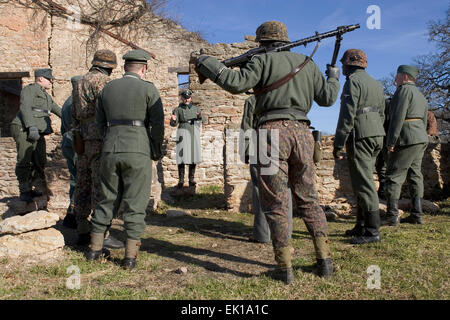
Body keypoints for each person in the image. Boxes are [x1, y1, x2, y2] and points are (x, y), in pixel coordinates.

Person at [195, 21, 340, 284]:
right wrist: (333, 75)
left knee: (276, 201)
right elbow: (328, 99)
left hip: (269, 134)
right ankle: (325, 261)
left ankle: (284, 268)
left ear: (262, 43)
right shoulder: (308, 62)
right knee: (308, 198)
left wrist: (207, 62)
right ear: (285, 40)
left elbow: (234, 83)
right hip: (303, 134)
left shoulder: (261, 61)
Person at [86, 49, 164, 270]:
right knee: (135, 202)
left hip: (110, 147)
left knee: (107, 199)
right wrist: (156, 149)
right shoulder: (148, 89)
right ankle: (130, 257)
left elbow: (98, 123)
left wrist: (108, 140)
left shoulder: (107, 89)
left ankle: (94, 250)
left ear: (124, 67)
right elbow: (157, 125)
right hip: (138, 149)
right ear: (143, 68)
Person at [71, 49, 123, 249]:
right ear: (109, 67)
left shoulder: (78, 82)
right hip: (100, 138)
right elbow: (110, 109)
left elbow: (74, 113)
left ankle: (82, 229)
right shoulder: (103, 82)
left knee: (82, 184)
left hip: (81, 138)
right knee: (102, 186)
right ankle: (102, 233)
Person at [333, 49, 385, 244]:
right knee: (363, 179)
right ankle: (361, 225)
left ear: (348, 64)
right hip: (377, 134)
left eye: (344, 64)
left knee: (364, 183)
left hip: (360, 135)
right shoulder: (376, 83)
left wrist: (338, 143)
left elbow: (347, 116)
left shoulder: (352, 82)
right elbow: (382, 113)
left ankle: (372, 232)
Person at [240, 95, 293, 244]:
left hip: (261, 141)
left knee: (260, 188)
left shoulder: (253, 100)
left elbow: (247, 126)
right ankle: (286, 233)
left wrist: (245, 150)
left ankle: (262, 234)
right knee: (285, 186)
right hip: (284, 143)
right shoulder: (285, 96)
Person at [381, 65, 429, 226]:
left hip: (407, 138)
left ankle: (392, 216)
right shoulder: (421, 95)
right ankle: (417, 214)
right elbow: (424, 120)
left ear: (405, 77)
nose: (395, 79)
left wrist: (391, 141)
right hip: (421, 138)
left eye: (398, 76)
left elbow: (397, 117)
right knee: (415, 175)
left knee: (394, 175)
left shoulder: (403, 91)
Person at [10, 68, 61, 203]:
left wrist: (72, 120)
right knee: (24, 159)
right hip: (23, 128)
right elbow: (25, 107)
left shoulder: (46, 96)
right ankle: (24, 190)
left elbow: (58, 110)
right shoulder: (30, 89)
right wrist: (31, 126)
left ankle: (35, 187)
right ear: (40, 79)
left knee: (40, 160)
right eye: (49, 79)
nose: (51, 81)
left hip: (37, 131)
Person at [170, 89, 205, 188]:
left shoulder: (196, 108)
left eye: (188, 98)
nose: (187, 100)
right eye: (185, 98)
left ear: (191, 98)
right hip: (182, 132)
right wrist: (173, 120)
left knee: (193, 157)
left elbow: (203, 120)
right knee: (181, 157)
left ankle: (191, 180)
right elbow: (173, 124)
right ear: (182, 98)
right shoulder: (177, 109)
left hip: (193, 132)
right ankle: (181, 181)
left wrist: (199, 117)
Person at [61, 75, 81, 229]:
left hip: (67, 142)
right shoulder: (78, 102)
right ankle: (73, 214)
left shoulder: (66, 102)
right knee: (80, 179)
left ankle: (72, 212)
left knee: (75, 178)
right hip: (77, 142)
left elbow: (62, 128)